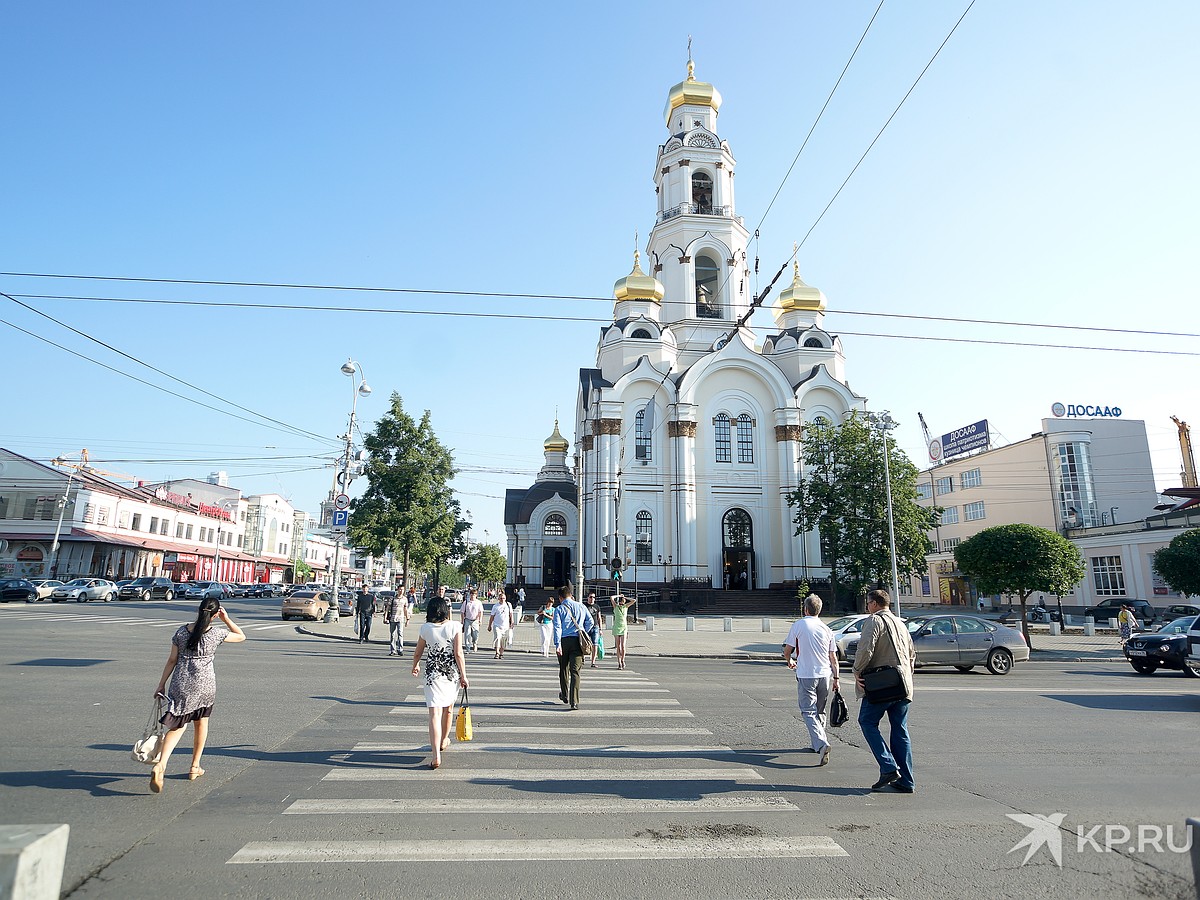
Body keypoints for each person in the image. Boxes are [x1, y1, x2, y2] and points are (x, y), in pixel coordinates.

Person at [149, 598, 246, 793]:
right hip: (205, 685)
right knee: (201, 723)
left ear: (198, 609)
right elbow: (241, 636)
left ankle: (161, 764)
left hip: (181, 683)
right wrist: (226, 619)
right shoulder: (215, 634)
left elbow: (172, 660)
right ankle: (194, 767)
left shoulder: (181, 632)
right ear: (216, 614)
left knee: (177, 724)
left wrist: (161, 684)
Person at [852, 589, 917, 794]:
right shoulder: (900, 623)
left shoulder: (873, 621)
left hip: (882, 685)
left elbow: (865, 649)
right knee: (900, 730)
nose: (867, 607)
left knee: (867, 721)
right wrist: (906, 675)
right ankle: (907, 780)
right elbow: (912, 653)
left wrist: (857, 671)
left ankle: (888, 766)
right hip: (903, 684)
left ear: (874, 604)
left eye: (868, 603)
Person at [410, 595, 468, 769]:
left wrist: (415, 666)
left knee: (433, 714)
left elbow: (418, 652)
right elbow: (458, 654)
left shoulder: (425, 628)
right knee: (448, 709)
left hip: (432, 675)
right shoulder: (455, 626)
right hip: (450, 675)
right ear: (445, 610)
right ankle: (444, 740)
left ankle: (436, 756)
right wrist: (464, 675)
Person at [782, 594, 839, 766]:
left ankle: (822, 743)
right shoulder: (827, 629)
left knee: (808, 711)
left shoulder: (799, 625)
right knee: (819, 711)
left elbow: (788, 649)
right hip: (825, 675)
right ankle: (816, 744)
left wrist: (789, 660)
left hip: (806, 674)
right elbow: (833, 657)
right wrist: (836, 678)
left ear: (805, 609)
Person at [553, 583, 593, 710]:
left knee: (563, 669)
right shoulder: (581, 606)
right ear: (571, 595)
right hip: (578, 642)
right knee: (575, 671)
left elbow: (557, 628)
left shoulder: (559, 609)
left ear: (560, 598)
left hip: (564, 641)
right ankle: (574, 701)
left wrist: (557, 644)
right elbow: (591, 621)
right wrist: (582, 631)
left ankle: (564, 694)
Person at [610, 594, 635, 670]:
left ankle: (623, 659)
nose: (622, 601)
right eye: (621, 600)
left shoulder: (625, 607)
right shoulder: (616, 607)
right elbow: (611, 597)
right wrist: (618, 596)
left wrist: (625, 597)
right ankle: (619, 663)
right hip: (616, 628)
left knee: (623, 646)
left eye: (623, 600)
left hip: (624, 628)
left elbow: (634, 600)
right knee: (618, 646)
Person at [384, 589, 410, 656]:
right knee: (392, 634)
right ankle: (393, 650)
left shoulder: (405, 599)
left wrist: (407, 619)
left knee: (400, 633)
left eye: (402, 590)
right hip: (393, 618)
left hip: (400, 619)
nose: (401, 591)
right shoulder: (393, 599)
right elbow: (387, 608)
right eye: (400, 589)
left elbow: (405, 609)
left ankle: (400, 650)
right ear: (398, 590)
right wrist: (385, 617)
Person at [488, 590, 513, 659]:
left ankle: (501, 653)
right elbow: (492, 616)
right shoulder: (495, 606)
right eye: (501, 598)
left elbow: (511, 614)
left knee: (503, 640)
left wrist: (512, 622)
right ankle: (497, 653)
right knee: (498, 637)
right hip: (497, 625)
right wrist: (489, 625)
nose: (502, 600)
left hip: (506, 626)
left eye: (504, 598)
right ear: (498, 599)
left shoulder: (508, 605)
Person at [583, 592, 604, 668]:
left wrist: (601, 629)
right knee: (584, 644)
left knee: (595, 644)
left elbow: (599, 618)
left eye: (594, 597)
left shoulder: (597, 607)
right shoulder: (584, 606)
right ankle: (583, 659)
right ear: (588, 598)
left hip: (595, 627)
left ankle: (593, 662)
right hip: (586, 627)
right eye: (591, 597)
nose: (592, 599)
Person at [460, 587, 483, 652]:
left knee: (475, 634)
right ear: (470, 595)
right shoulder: (466, 602)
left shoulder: (478, 602)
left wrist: (480, 620)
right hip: (467, 620)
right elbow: (462, 611)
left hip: (475, 620)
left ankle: (475, 643)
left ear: (476, 595)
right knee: (467, 634)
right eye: (472, 594)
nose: (473, 596)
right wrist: (462, 621)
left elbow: (480, 612)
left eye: (474, 594)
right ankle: (468, 648)